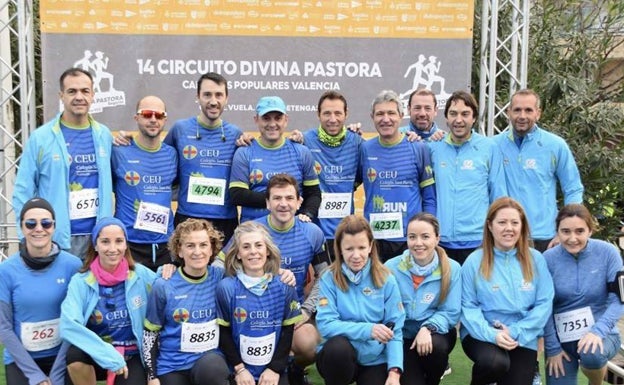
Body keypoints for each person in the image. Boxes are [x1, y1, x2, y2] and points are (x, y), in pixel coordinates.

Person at [215, 173, 328, 384]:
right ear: (267, 202)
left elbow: (326, 276)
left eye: (289, 198)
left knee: (309, 343)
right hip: (247, 313)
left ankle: (293, 369)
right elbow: (218, 266)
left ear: (299, 202)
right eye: (277, 198)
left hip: (290, 314)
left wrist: (305, 311)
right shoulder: (250, 231)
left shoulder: (312, 232)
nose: (283, 204)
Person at [13, 67, 114, 257]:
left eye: (85, 91)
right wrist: (26, 236)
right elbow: (22, 191)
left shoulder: (104, 135)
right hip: (57, 240)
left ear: (93, 95)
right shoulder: (41, 138)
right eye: (71, 91)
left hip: (98, 241)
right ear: (61, 95)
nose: (79, 97)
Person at [460, 197, 554, 385]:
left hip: (522, 335)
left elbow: (544, 303)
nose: (508, 228)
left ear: (522, 226)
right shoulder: (474, 261)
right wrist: (492, 334)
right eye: (502, 222)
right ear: (489, 226)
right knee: (494, 363)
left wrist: (516, 331)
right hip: (483, 334)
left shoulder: (536, 259)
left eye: (514, 223)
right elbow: (468, 307)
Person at [60, 217, 157, 385]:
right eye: (105, 241)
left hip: (132, 353)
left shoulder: (142, 275)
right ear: (95, 245)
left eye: (119, 241)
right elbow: (68, 325)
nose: (113, 248)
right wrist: (108, 354)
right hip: (97, 351)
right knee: (75, 356)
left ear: (126, 244)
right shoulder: (81, 281)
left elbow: (168, 289)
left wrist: (168, 269)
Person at [315, 215, 405, 385]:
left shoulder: (386, 278)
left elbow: (395, 328)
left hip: (374, 358)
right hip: (340, 356)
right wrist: (368, 329)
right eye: (349, 249)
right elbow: (326, 325)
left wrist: (394, 372)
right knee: (337, 349)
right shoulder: (328, 278)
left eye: (362, 247)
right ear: (339, 248)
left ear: (371, 246)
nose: (356, 255)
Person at [0, 198, 82, 385]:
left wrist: (56, 375)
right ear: (21, 227)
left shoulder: (73, 266)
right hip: (21, 360)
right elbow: (4, 328)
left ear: (53, 227)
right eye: (31, 224)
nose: (39, 229)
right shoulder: (5, 271)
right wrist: (36, 377)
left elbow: (77, 321)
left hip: (62, 355)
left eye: (46, 223)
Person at [542, 204, 624, 385]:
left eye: (580, 231)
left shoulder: (609, 253)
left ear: (590, 230)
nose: (572, 238)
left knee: (591, 354)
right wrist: (553, 348)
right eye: (565, 231)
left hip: (602, 334)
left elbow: (618, 300)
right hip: (561, 342)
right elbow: (543, 307)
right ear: (557, 232)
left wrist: (597, 331)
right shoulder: (546, 259)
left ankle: (595, 383)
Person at [493, 89, 583, 252]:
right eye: (517, 110)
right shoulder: (493, 146)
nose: (522, 116)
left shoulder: (555, 145)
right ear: (508, 113)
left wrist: (565, 230)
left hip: (544, 237)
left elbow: (573, 188)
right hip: (506, 236)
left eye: (528, 110)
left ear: (538, 113)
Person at [142, 219, 230, 385]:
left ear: (212, 249)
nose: (198, 252)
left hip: (208, 362)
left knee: (214, 368)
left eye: (203, 245)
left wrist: (280, 271)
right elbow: (150, 334)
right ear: (179, 251)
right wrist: (151, 376)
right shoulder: (163, 285)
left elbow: (253, 268)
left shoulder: (220, 276)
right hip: (172, 366)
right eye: (190, 246)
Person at [216, 221, 302, 385]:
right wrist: (240, 369)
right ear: (238, 253)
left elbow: (287, 331)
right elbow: (224, 332)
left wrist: (275, 369)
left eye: (258, 245)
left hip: (272, 370)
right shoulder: (226, 287)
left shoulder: (285, 285)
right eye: (246, 247)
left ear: (268, 250)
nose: (253, 251)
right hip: (240, 370)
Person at [163, 72, 243, 244]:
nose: (213, 101)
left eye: (219, 95)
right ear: (197, 97)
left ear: (227, 98)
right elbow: (156, 158)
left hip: (225, 221)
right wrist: (127, 140)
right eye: (207, 95)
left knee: (222, 271)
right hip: (187, 218)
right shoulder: (180, 130)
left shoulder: (236, 134)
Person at [428, 91, 507, 265]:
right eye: (453, 114)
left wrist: (498, 234)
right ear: (446, 118)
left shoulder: (489, 148)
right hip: (441, 240)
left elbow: (498, 195)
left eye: (465, 114)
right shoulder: (433, 148)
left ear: (474, 118)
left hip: (478, 240)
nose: (458, 120)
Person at [384, 213, 461, 385]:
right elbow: (385, 310)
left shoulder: (452, 268)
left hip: (434, 335)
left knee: (437, 348)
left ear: (437, 239)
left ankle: (433, 380)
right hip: (401, 337)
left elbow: (451, 311)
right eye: (412, 237)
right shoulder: (390, 267)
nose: (418, 243)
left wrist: (428, 328)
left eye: (425, 236)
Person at [360, 90, 436, 262]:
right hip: (376, 239)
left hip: (409, 239)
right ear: (372, 117)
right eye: (380, 114)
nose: (385, 119)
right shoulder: (365, 148)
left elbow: (429, 196)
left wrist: (429, 232)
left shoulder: (418, 147)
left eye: (391, 113)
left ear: (401, 116)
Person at [229, 96, 321, 223]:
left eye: (278, 118)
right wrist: (279, 199)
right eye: (266, 118)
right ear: (256, 120)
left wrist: (307, 213)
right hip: (254, 231)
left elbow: (314, 194)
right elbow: (237, 194)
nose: (272, 124)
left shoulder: (301, 152)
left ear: (286, 120)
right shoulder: (244, 152)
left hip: (291, 229)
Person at [112, 96, 177, 271]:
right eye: (147, 114)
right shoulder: (119, 151)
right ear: (136, 118)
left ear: (165, 119)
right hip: (130, 244)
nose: (153, 119)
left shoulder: (172, 154)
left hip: (165, 245)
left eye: (159, 115)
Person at [302, 91, 363, 261]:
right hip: (313, 231)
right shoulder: (305, 141)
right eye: (327, 113)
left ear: (346, 114)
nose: (332, 119)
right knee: (317, 285)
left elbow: (361, 176)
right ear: (318, 114)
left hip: (345, 234)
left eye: (338, 113)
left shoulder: (357, 142)